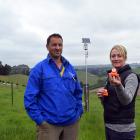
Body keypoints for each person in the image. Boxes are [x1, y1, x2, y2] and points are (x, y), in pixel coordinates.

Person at [24, 33, 83, 140]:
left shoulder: (69, 68)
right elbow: (29, 98)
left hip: (71, 124)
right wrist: (40, 120)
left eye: (60, 45)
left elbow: (78, 92)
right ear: (47, 47)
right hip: (49, 125)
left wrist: (79, 112)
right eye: (54, 45)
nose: (57, 48)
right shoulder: (39, 69)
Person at [97, 45, 139, 140]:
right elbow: (109, 102)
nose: (116, 58)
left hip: (124, 130)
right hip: (109, 125)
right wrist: (102, 97)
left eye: (119, 56)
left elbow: (126, 100)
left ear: (125, 57)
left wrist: (119, 85)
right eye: (113, 56)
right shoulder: (112, 76)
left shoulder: (131, 76)